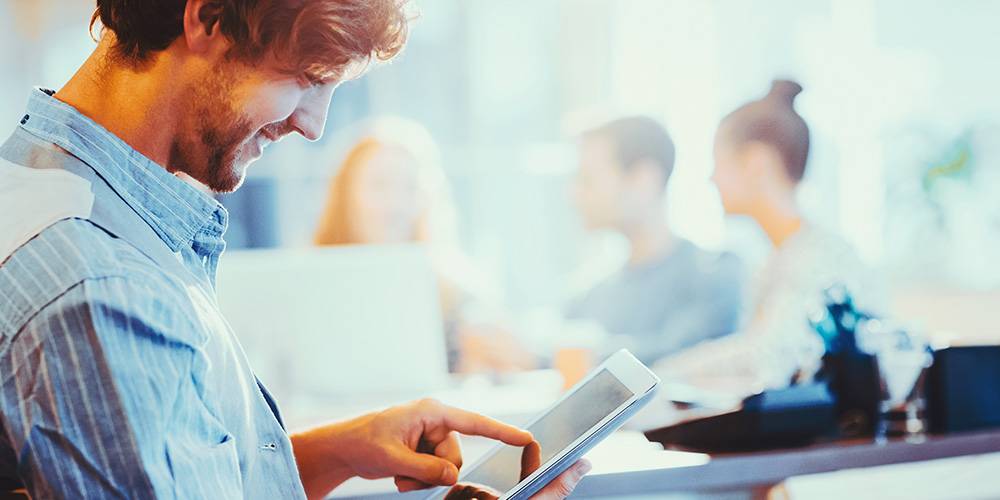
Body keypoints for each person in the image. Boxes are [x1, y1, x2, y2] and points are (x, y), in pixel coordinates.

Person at [0, 1, 587, 498]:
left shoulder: (51, 188)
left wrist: (338, 451)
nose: (314, 126)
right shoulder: (102, 289)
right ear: (207, 19)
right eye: (308, 78)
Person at [656, 80, 882, 395]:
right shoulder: (775, 260)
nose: (711, 178)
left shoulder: (820, 258)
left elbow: (768, 357)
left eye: (718, 162)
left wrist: (658, 376)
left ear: (756, 163)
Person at [314, 119, 536, 373]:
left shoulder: (458, 295)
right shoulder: (311, 288)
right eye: (379, 185)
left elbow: (503, 368)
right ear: (345, 196)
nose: (394, 205)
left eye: (410, 188)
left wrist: (500, 359)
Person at [565, 116, 744, 366]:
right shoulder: (591, 296)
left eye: (587, 180)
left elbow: (678, 355)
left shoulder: (712, 276)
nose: (573, 194)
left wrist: (560, 358)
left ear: (644, 180)